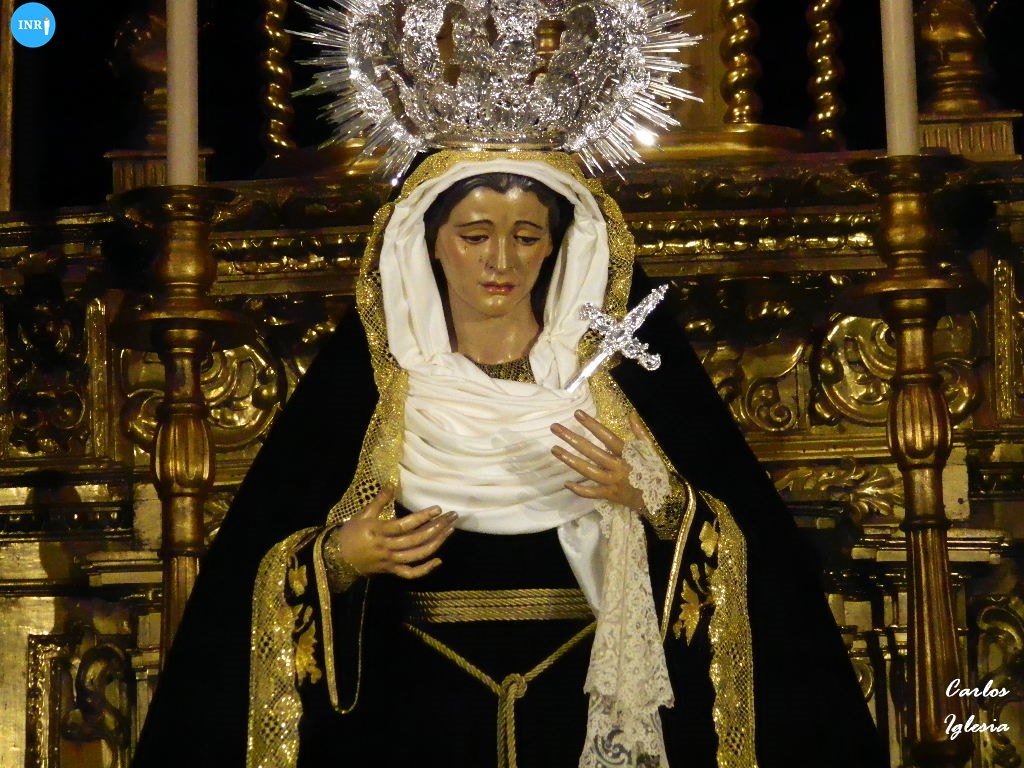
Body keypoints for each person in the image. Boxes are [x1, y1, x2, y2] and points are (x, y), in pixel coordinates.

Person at [131, 151, 888, 768]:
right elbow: (253, 578)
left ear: (556, 245)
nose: (501, 260)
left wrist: (655, 502)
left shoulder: (610, 388)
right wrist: (338, 559)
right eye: (474, 234)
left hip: (584, 701)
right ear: (429, 241)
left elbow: (749, 560)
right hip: (417, 714)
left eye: (526, 236)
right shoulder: (373, 394)